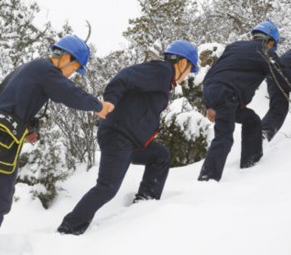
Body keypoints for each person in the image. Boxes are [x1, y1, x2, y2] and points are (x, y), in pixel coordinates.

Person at [0, 35, 114, 255]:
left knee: (0, 195)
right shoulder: (46, 69)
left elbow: (9, 100)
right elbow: (69, 93)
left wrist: (28, 129)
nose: (72, 75)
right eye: (75, 68)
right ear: (66, 57)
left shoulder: (31, 68)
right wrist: (98, 106)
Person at [57, 40, 199, 235]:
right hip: (119, 136)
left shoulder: (163, 79)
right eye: (190, 68)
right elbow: (123, 78)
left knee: (160, 155)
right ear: (182, 63)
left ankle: (145, 202)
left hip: (130, 140)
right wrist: (111, 101)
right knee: (107, 187)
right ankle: (69, 228)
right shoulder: (161, 71)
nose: (187, 75)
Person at [198, 21, 291, 182]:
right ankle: (207, 179)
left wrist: (209, 105)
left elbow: (210, 75)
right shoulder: (264, 52)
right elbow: (287, 77)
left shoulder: (234, 46)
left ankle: (249, 164)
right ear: (270, 42)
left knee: (251, 120)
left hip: (213, 91)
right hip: (227, 94)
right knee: (224, 137)